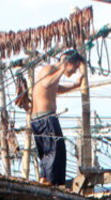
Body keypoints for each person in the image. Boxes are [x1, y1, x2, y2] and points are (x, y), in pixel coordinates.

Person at [30, 50, 84, 186]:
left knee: (48, 153)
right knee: (56, 152)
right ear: (68, 62)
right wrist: (62, 67)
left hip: (39, 120)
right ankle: (53, 183)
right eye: (75, 67)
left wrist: (74, 86)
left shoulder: (53, 73)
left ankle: (45, 179)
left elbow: (55, 88)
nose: (74, 72)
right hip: (45, 118)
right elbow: (46, 84)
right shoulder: (49, 69)